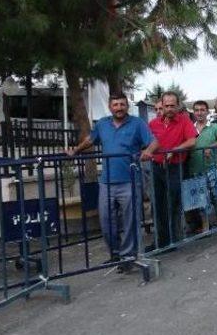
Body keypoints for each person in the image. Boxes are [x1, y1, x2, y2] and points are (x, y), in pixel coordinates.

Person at [68, 92, 158, 270]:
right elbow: (90, 139)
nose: (119, 108)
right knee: (106, 221)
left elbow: (154, 142)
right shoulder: (102, 124)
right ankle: (116, 254)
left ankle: (127, 257)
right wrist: (76, 150)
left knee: (130, 220)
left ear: (127, 106)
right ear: (110, 107)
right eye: (115, 105)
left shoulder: (137, 123)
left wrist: (148, 151)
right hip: (106, 182)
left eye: (122, 104)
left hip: (130, 181)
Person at [148, 92, 197, 248]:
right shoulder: (154, 123)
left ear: (177, 106)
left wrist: (175, 150)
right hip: (156, 168)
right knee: (157, 204)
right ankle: (161, 241)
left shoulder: (184, 121)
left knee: (172, 203)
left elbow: (191, 141)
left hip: (175, 168)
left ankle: (173, 239)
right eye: (166, 105)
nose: (169, 109)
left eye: (172, 106)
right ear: (162, 105)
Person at [186, 101, 217, 233]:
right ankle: (206, 226)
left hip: (212, 167)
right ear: (194, 112)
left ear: (207, 112)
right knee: (201, 201)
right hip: (195, 169)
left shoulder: (214, 127)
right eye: (197, 110)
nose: (200, 112)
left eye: (202, 110)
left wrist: (210, 146)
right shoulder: (189, 128)